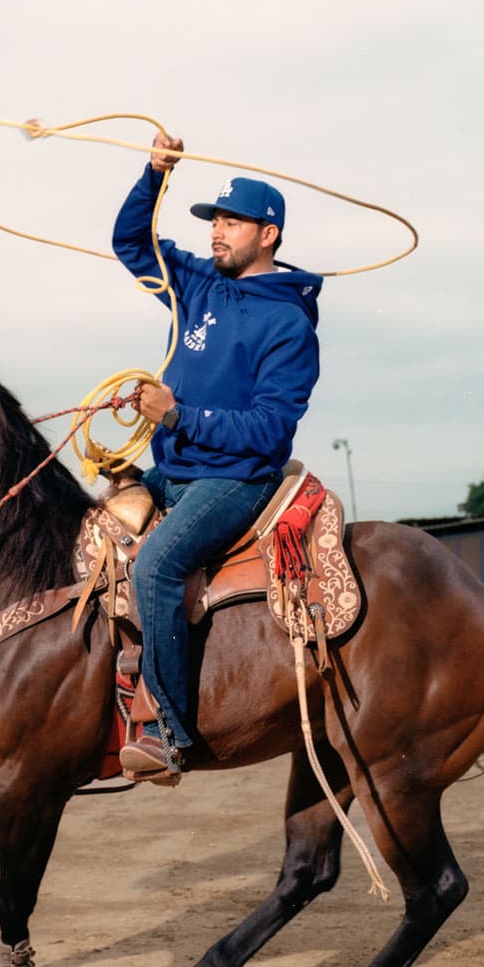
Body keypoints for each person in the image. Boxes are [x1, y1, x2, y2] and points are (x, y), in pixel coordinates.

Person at [113, 131, 323, 783]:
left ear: (269, 234)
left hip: (234, 479)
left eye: (231, 222)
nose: (216, 232)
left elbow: (268, 430)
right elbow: (130, 244)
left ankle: (168, 734)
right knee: (90, 536)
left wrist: (177, 414)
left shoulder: (288, 326)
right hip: (172, 470)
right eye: (213, 221)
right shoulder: (196, 283)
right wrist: (155, 174)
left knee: (154, 566)